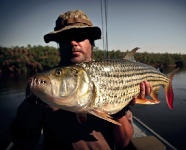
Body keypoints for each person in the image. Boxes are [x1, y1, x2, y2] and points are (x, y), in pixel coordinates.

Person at [10, 10, 151, 150]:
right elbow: (23, 142)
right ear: (59, 44)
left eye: (80, 36)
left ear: (92, 42)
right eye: (65, 37)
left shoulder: (115, 75)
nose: (73, 42)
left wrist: (120, 110)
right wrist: (30, 105)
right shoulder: (42, 84)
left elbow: (123, 143)